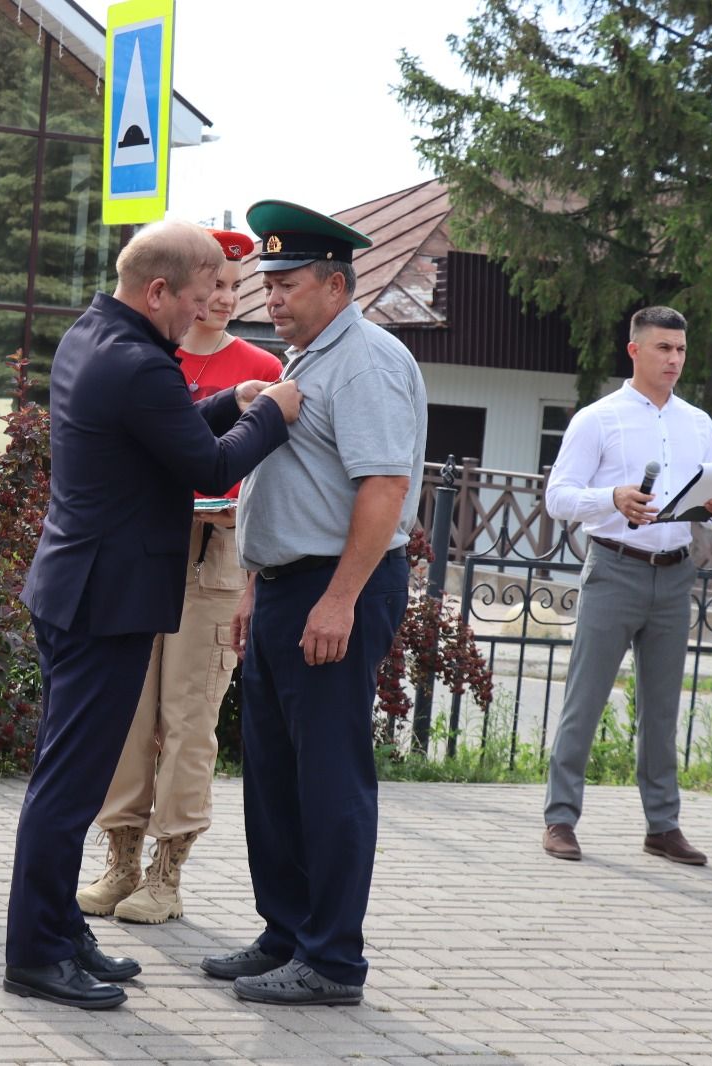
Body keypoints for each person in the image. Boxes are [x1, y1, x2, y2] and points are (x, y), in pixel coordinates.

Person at [4, 220, 301, 1011]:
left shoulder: (94, 334)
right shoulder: (138, 361)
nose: (203, 317)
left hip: (78, 588)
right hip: (105, 600)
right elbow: (207, 468)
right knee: (68, 788)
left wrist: (219, 400)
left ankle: (62, 929)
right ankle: (35, 952)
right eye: (197, 301)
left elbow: (151, 436)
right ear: (158, 290)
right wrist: (273, 412)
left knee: (69, 778)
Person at [200, 200, 427, 1008]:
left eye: (289, 284)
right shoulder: (307, 358)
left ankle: (332, 960)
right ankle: (286, 933)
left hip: (338, 588)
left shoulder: (363, 360)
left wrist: (337, 600)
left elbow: (384, 487)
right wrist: (259, 589)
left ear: (336, 285)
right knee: (274, 773)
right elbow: (289, 486)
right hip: (289, 589)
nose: (273, 300)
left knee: (328, 777)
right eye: (268, 284)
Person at [77, 229, 285, 927]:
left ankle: (167, 873)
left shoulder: (258, 364)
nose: (223, 300)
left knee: (189, 716)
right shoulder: (150, 354)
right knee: (131, 716)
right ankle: (120, 860)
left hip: (213, 556)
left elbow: (257, 472)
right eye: (213, 286)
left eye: (234, 288)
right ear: (178, 289)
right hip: (142, 555)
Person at [539, 306, 712, 866]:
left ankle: (662, 826)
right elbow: (558, 497)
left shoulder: (698, 423)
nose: (674, 359)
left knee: (662, 708)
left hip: (676, 573)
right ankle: (560, 818)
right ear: (635, 350)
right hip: (614, 568)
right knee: (586, 698)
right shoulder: (597, 419)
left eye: (680, 350)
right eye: (662, 349)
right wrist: (612, 498)